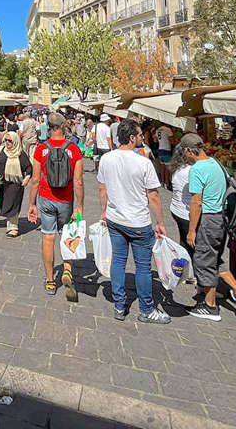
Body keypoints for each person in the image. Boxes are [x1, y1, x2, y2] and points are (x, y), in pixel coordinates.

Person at [98, 119, 170, 324]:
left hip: (115, 219)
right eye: (139, 135)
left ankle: (119, 305)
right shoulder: (143, 162)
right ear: (131, 138)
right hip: (138, 222)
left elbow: (102, 189)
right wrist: (160, 222)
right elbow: (153, 196)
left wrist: (103, 212)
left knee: (118, 261)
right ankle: (147, 309)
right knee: (143, 267)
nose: (142, 138)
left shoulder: (106, 159)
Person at [181, 133, 236, 321]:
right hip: (221, 219)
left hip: (208, 220)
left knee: (204, 261)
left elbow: (196, 202)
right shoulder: (216, 163)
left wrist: (191, 230)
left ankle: (210, 306)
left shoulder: (197, 169)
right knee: (215, 259)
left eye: (185, 152)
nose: (184, 156)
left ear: (190, 151)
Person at [29, 112, 85, 300]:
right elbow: (78, 181)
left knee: (48, 238)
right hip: (66, 201)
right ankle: (67, 270)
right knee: (68, 236)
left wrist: (31, 203)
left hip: (46, 198)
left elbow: (35, 180)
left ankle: (50, 280)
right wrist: (80, 205)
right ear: (62, 126)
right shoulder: (74, 149)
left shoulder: (41, 149)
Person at [0, 130, 32, 237]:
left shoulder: (20, 154)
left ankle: (13, 227)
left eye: (10, 141)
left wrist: (27, 177)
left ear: (15, 142)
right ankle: (10, 221)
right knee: (5, 203)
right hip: (2, 182)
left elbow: (29, 167)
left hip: (15, 184)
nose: (7, 143)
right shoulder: (2, 150)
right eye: (5, 140)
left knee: (13, 203)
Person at [167, 144, 194, 261]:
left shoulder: (177, 169)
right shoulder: (190, 170)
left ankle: (182, 271)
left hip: (176, 209)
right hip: (185, 213)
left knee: (183, 242)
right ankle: (191, 273)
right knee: (193, 245)